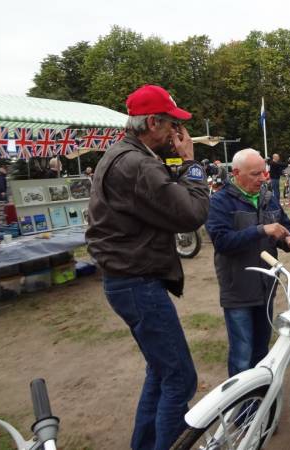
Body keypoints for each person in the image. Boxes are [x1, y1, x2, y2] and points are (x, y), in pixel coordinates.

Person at [86, 84, 209, 450]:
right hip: (137, 282)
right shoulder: (137, 164)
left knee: (160, 372)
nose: (176, 132)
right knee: (180, 378)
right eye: (172, 123)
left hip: (126, 279)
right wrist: (190, 163)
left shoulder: (123, 155)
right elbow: (191, 214)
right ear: (153, 122)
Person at [205, 148, 290, 377]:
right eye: (255, 174)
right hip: (238, 289)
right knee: (242, 354)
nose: (262, 179)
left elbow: (283, 229)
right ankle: (239, 409)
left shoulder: (268, 198)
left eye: (264, 173)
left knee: (261, 350)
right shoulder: (220, 201)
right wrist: (260, 230)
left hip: (266, 288)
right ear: (236, 173)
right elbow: (222, 242)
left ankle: (259, 402)